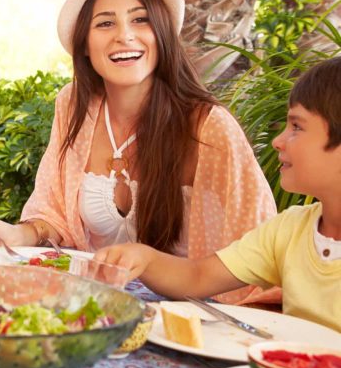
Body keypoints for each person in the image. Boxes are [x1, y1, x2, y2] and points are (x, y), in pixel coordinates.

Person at [0, 0, 277, 305]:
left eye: (140, 19)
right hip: (88, 308)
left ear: (162, 33)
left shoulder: (208, 126)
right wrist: (20, 233)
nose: (124, 35)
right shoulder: (73, 106)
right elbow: (54, 214)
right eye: (105, 23)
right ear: (83, 43)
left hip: (189, 327)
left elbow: (257, 248)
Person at [94, 57, 341, 332]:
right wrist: (143, 257)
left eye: (297, 127)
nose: (277, 141)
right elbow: (198, 277)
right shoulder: (289, 230)